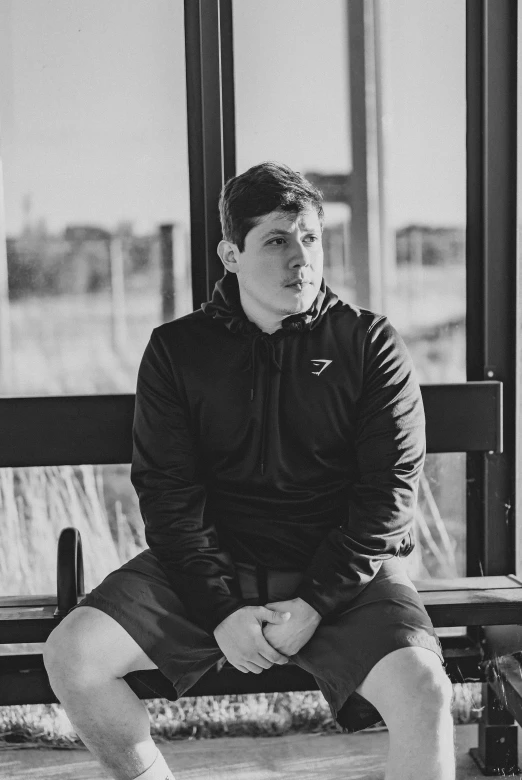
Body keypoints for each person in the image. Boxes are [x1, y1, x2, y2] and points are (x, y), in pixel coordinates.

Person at [44, 161, 455, 780]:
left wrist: (316, 602)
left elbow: (389, 494)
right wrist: (219, 610)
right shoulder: (177, 351)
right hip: (214, 566)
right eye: (277, 240)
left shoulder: (369, 344)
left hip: (343, 573)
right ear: (230, 254)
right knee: (72, 655)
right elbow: (167, 493)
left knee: (426, 691)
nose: (302, 258)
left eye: (311, 238)